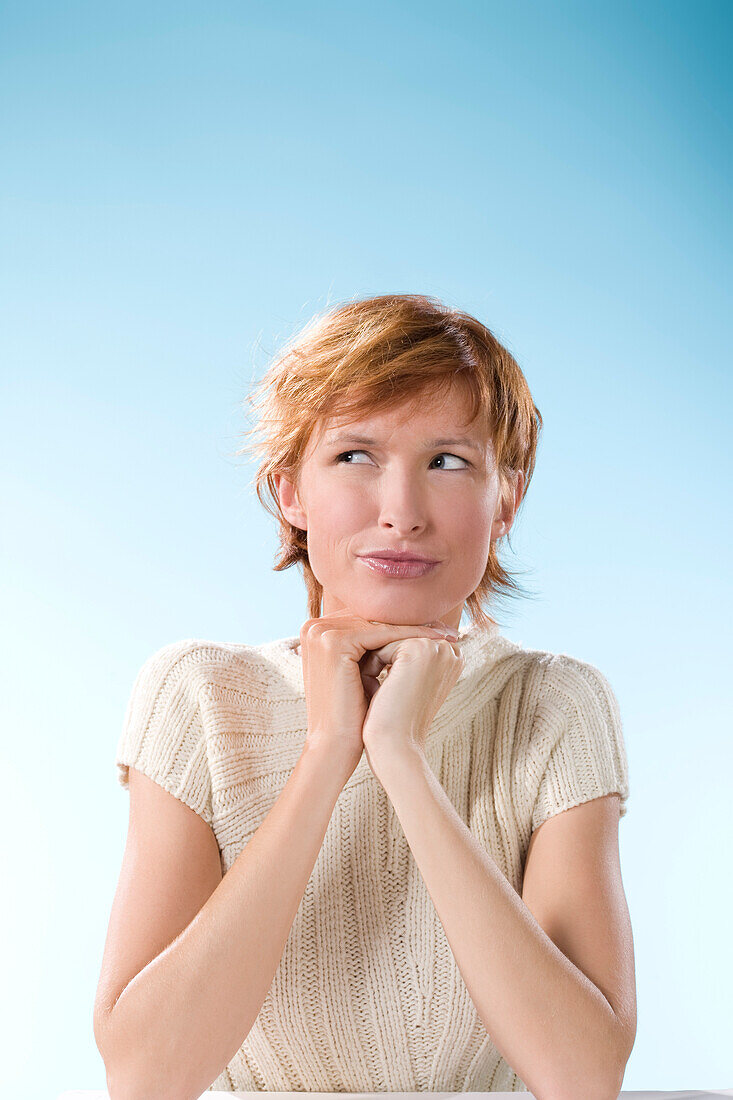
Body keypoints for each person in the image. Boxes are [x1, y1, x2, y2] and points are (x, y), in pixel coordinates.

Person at [93, 293, 636, 1098]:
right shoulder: (199, 693)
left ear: (506, 501)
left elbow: (582, 1077)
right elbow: (145, 1077)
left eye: (447, 462)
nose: (401, 514)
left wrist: (400, 756)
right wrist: (326, 753)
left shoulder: (555, 702)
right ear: (290, 493)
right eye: (354, 456)